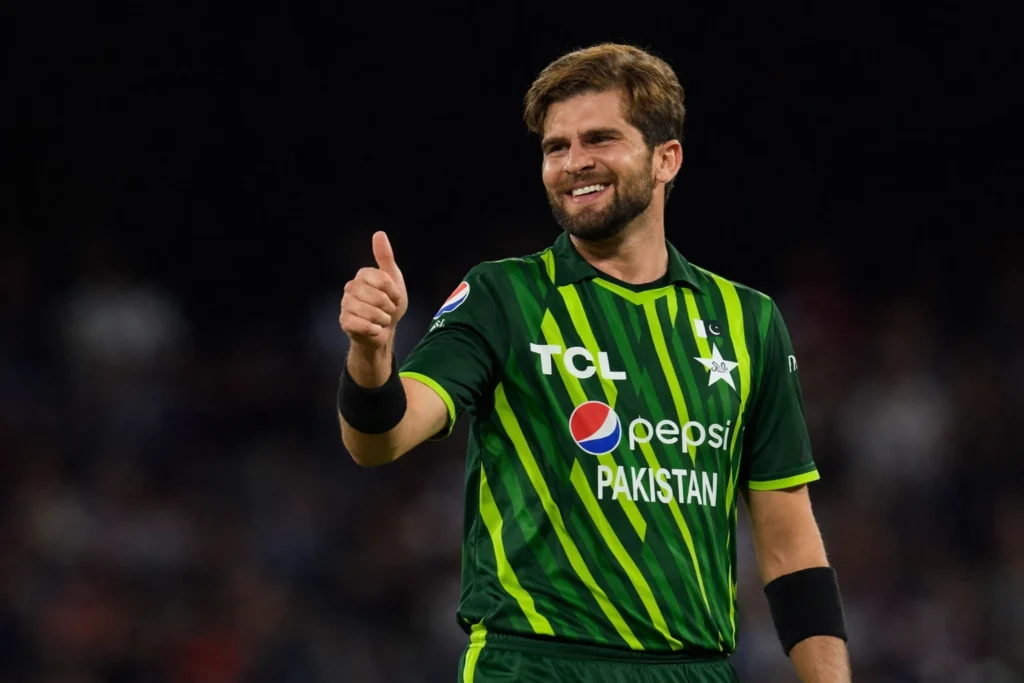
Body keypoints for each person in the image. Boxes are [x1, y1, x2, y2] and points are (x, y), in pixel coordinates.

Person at [337, 42, 850, 683]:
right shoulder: (505, 296)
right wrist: (370, 354)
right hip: (532, 664)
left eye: (599, 139)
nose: (574, 163)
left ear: (667, 159)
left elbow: (789, 541)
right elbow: (380, 439)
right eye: (557, 147)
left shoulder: (748, 322)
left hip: (696, 670)